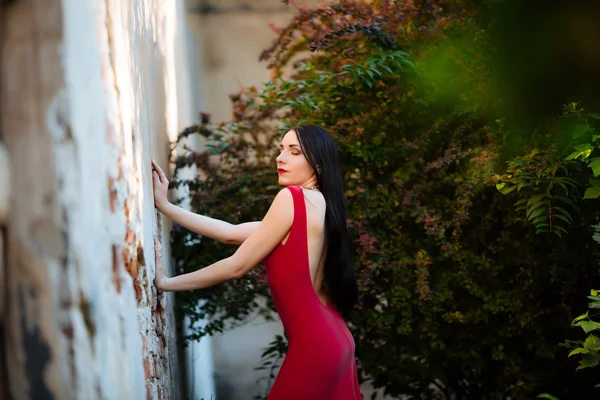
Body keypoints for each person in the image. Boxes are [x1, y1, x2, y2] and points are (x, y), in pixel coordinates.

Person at [151, 125, 362, 400]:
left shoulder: (293, 198)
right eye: (281, 149)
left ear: (319, 165)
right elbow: (230, 233)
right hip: (336, 338)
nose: (281, 158)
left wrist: (166, 283)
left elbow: (236, 266)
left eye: (294, 151)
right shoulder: (318, 204)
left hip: (316, 345)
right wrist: (166, 207)